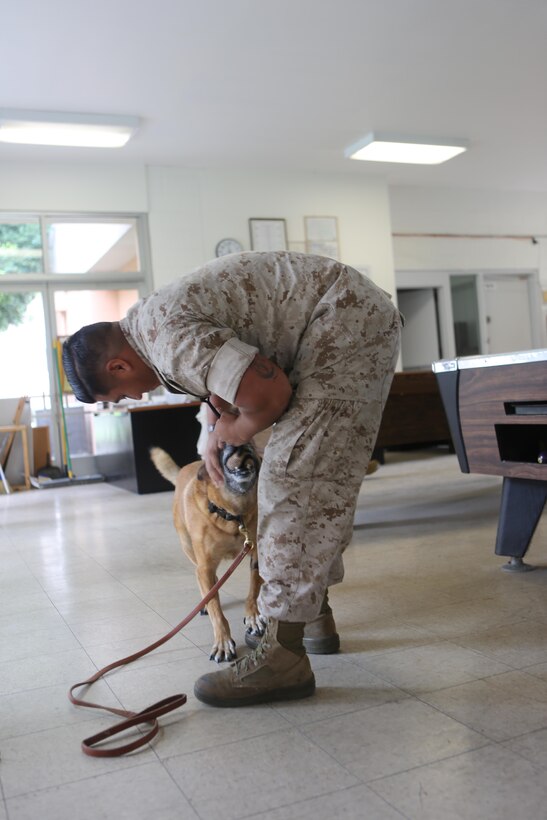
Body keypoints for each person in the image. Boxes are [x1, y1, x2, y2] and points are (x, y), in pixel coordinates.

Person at [62, 251, 402, 708]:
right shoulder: (150, 327)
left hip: (344, 324)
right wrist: (213, 427)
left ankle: (283, 656)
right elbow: (228, 367)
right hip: (342, 317)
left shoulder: (167, 341)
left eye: (123, 392)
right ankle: (311, 615)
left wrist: (233, 429)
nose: (137, 395)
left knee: (293, 482)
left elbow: (269, 393)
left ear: (117, 367)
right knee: (309, 479)